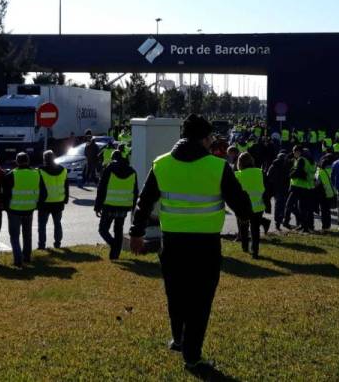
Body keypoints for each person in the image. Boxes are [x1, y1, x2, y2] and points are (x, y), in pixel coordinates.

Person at [129, 114, 253, 373]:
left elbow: (144, 201)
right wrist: (246, 214)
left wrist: (137, 232)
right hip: (205, 245)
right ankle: (192, 355)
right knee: (200, 299)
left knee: (175, 294)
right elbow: (241, 205)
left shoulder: (161, 164)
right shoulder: (218, 167)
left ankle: (178, 339)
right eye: (210, 139)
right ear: (206, 139)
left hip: (172, 242)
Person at [94, 144, 138, 259]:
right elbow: (135, 190)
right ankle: (115, 255)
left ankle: (113, 245)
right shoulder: (132, 171)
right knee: (118, 230)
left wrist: (97, 206)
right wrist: (134, 207)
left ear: (113, 158)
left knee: (103, 229)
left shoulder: (109, 169)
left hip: (109, 205)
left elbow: (101, 188)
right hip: (124, 206)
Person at [2, 152, 40, 267]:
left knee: (14, 236)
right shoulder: (36, 173)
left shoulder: (11, 174)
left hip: (14, 210)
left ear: (17, 161)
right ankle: (27, 257)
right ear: (28, 161)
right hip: (29, 208)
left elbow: (6, 194)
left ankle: (18, 259)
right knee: (27, 234)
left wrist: (6, 207)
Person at [235, 152, 270, 257]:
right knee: (255, 229)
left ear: (239, 163)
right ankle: (255, 251)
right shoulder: (260, 172)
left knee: (243, 227)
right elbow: (267, 188)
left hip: (243, 207)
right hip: (258, 205)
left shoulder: (237, 174)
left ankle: (245, 247)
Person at [38, 150, 69, 250]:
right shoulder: (63, 170)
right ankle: (58, 243)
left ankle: (42, 245)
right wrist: (65, 199)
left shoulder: (40, 171)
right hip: (59, 201)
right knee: (57, 224)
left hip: (45, 202)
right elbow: (66, 186)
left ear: (44, 159)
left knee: (42, 225)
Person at [285, 146, 316, 232]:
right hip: (306, 186)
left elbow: (297, 172)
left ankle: (303, 224)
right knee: (303, 208)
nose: (294, 154)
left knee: (289, 205)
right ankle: (304, 226)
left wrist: (290, 174)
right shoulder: (311, 162)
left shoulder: (301, 160)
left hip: (297, 186)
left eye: (295, 152)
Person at [266, 150, 291, 231]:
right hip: (285, 188)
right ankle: (280, 220)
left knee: (278, 205)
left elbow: (268, 177)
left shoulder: (273, 165)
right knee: (283, 205)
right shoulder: (287, 165)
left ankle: (278, 221)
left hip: (276, 188)